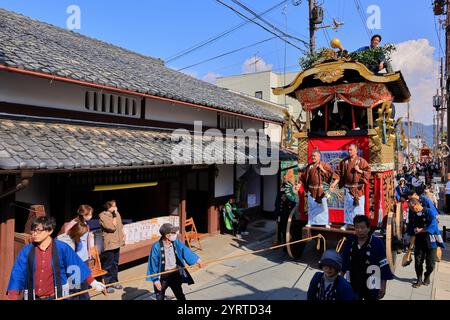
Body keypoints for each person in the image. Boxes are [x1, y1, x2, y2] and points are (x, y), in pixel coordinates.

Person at [7, 216, 105, 300]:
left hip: (57, 296)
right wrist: (13, 295)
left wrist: (93, 282)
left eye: (38, 230)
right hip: (32, 296)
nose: (34, 233)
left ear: (50, 231)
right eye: (33, 230)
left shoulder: (62, 248)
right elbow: (18, 273)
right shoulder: (27, 251)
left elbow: (76, 266)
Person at [341, 215, 393, 300]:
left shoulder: (377, 243)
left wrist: (383, 286)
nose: (359, 230)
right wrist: (341, 279)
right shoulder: (350, 241)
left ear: (368, 228)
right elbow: (345, 261)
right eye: (357, 227)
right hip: (353, 280)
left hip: (372, 281)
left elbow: (383, 264)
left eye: (362, 227)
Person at [147, 223, 204, 300]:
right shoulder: (156, 247)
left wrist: (198, 260)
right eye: (173, 233)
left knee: (179, 294)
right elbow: (153, 264)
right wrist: (155, 280)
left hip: (175, 273)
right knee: (160, 296)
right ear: (167, 236)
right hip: (163, 275)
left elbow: (185, 250)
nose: (175, 234)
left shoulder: (175, 242)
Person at [329, 144, 371, 230]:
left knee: (358, 209)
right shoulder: (345, 161)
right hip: (348, 189)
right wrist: (334, 183)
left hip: (358, 189)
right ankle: (347, 224)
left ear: (356, 151)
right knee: (348, 208)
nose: (349, 151)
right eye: (348, 150)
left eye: (351, 150)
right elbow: (338, 173)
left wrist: (359, 170)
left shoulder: (361, 161)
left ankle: (360, 226)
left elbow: (368, 171)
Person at [58, 204, 95, 299]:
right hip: (74, 259)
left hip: (84, 257)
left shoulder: (86, 224)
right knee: (74, 286)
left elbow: (87, 241)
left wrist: (90, 253)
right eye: (89, 214)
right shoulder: (71, 225)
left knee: (85, 284)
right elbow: (66, 243)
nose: (91, 216)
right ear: (83, 214)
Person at [407, 198, 444, 287]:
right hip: (419, 241)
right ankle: (419, 279)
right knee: (418, 261)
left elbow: (433, 225)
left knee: (431, 264)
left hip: (431, 241)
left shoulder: (429, 212)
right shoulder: (414, 215)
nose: (412, 210)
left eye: (412, 208)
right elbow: (412, 228)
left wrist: (421, 230)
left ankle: (427, 275)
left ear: (416, 204)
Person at [300, 150, 332, 228]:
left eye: (314, 156)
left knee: (323, 206)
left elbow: (330, 175)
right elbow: (303, 177)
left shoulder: (324, 165)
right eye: (312, 156)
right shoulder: (309, 166)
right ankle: (311, 221)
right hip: (312, 190)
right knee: (311, 206)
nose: (313, 157)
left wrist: (322, 169)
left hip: (321, 190)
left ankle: (325, 222)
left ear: (319, 156)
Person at [99, 200, 125, 294]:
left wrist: (122, 236)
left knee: (115, 263)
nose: (115, 208)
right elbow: (111, 227)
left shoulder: (116, 213)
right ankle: (106, 284)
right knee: (108, 264)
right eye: (113, 206)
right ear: (108, 207)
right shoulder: (103, 216)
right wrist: (114, 216)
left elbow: (120, 225)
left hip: (117, 242)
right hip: (110, 243)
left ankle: (114, 281)